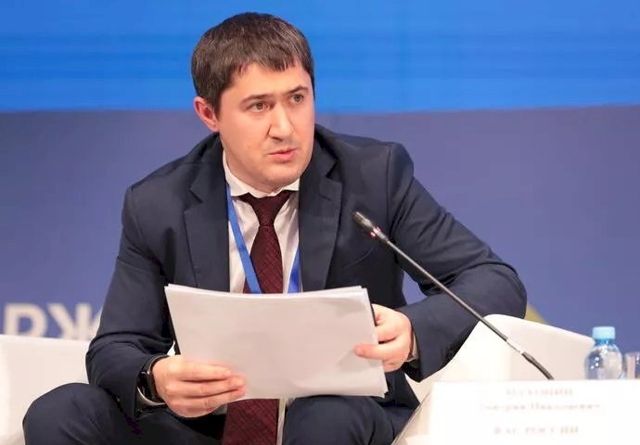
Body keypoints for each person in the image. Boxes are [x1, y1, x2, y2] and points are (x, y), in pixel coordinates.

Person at [23, 12, 526, 445]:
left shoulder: (374, 177)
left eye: (297, 98)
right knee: (61, 411)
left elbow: (493, 279)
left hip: (343, 416)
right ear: (209, 114)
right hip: (209, 427)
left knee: (324, 417)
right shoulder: (159, 203)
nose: (284, 127)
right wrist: (157, 377)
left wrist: (413, 331)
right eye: (259, 106)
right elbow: (115, 347)